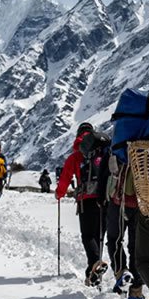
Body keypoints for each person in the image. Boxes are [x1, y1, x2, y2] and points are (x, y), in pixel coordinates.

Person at [56, 123, 111, 286]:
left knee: (88, 236)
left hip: (86, 200)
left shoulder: (76, 155)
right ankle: (92, 272)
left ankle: (95, 264)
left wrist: (59, 193)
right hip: (105, 198)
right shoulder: (104, 151)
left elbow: (65, 177)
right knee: (99, 236)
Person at [104, 154, 141, 299]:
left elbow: (104, 171)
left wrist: (102, 197)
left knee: (114, 239)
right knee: (136, 245)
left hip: (119, 201)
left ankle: (121, 272)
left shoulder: (117, 145)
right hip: (141, 204)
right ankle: (136, 290)